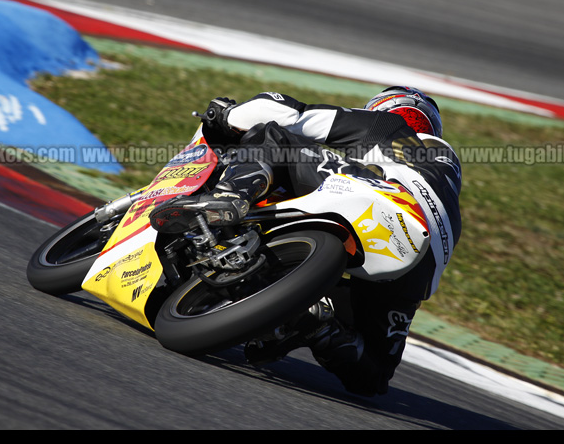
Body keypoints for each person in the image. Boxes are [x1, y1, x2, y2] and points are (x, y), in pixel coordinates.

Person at [149, 87, 462, 397]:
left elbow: (296, 117)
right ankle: (321, 328)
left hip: (384, 202)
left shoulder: (391, 128)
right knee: (374, 373)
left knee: (276, 137)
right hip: (420, 261)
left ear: (384, 109)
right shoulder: (447, 189)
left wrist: (227, 116)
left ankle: (231, 195)